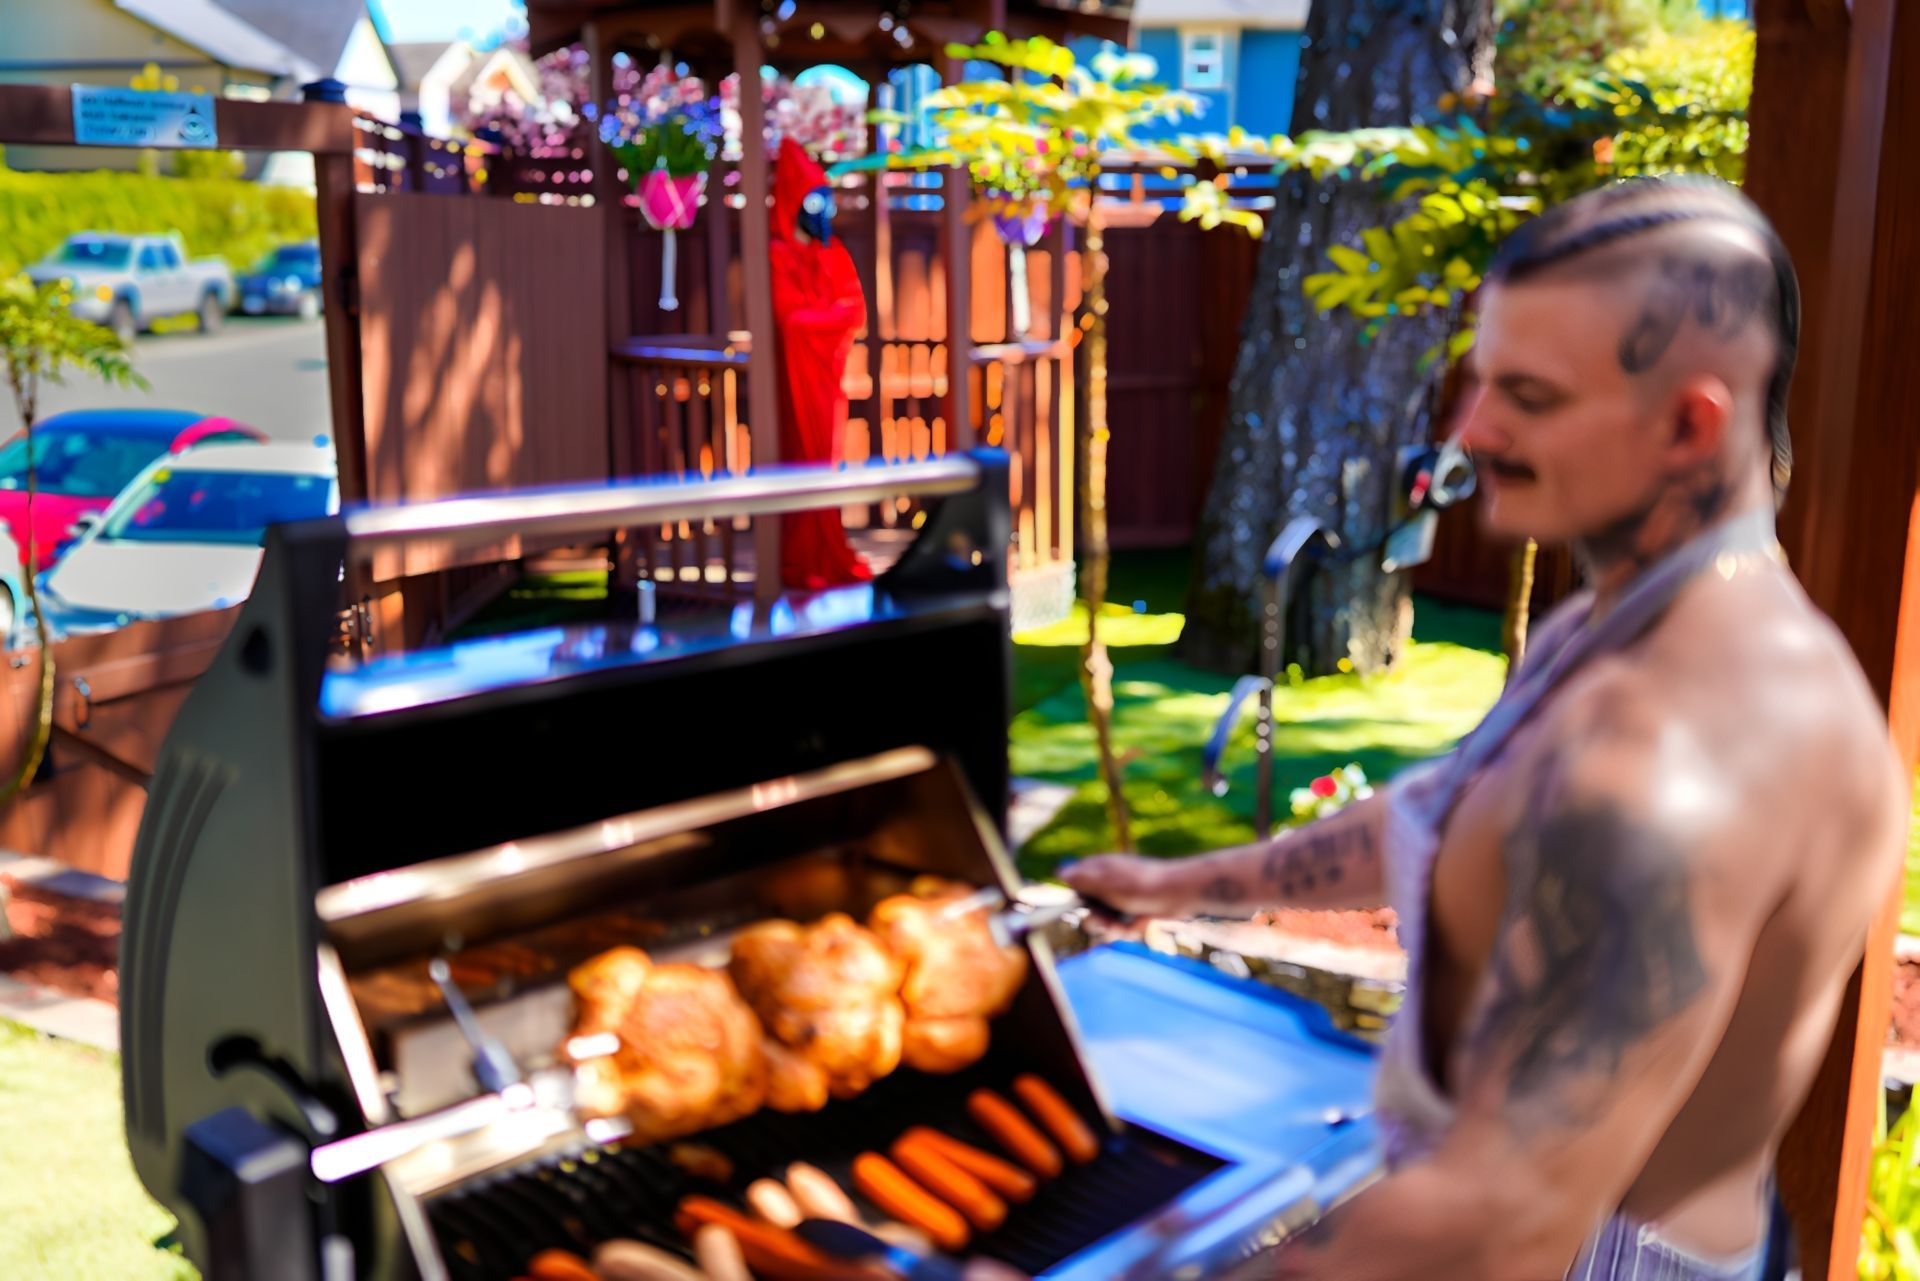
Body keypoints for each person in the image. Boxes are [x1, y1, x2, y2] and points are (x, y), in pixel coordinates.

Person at [1063, 176, 1909, 1280]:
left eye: (1528, 394)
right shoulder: (1609, 632)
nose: (1472, 428)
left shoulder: (1677, 751)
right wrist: (1180, 886)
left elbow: (1503, 1218)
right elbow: (1434, 818)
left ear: (1689, 424)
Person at [769, 137, 873, 590]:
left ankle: (826, 550)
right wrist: (825, 317)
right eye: (812, 200)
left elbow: (854, 311)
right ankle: (799, 556)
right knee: (798, 460)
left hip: (828, 375)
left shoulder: (832, 254)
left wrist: (822, 320)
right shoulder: (777, 255)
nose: (821, 212)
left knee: (826, 458)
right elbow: (789, 320)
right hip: (791, 376)